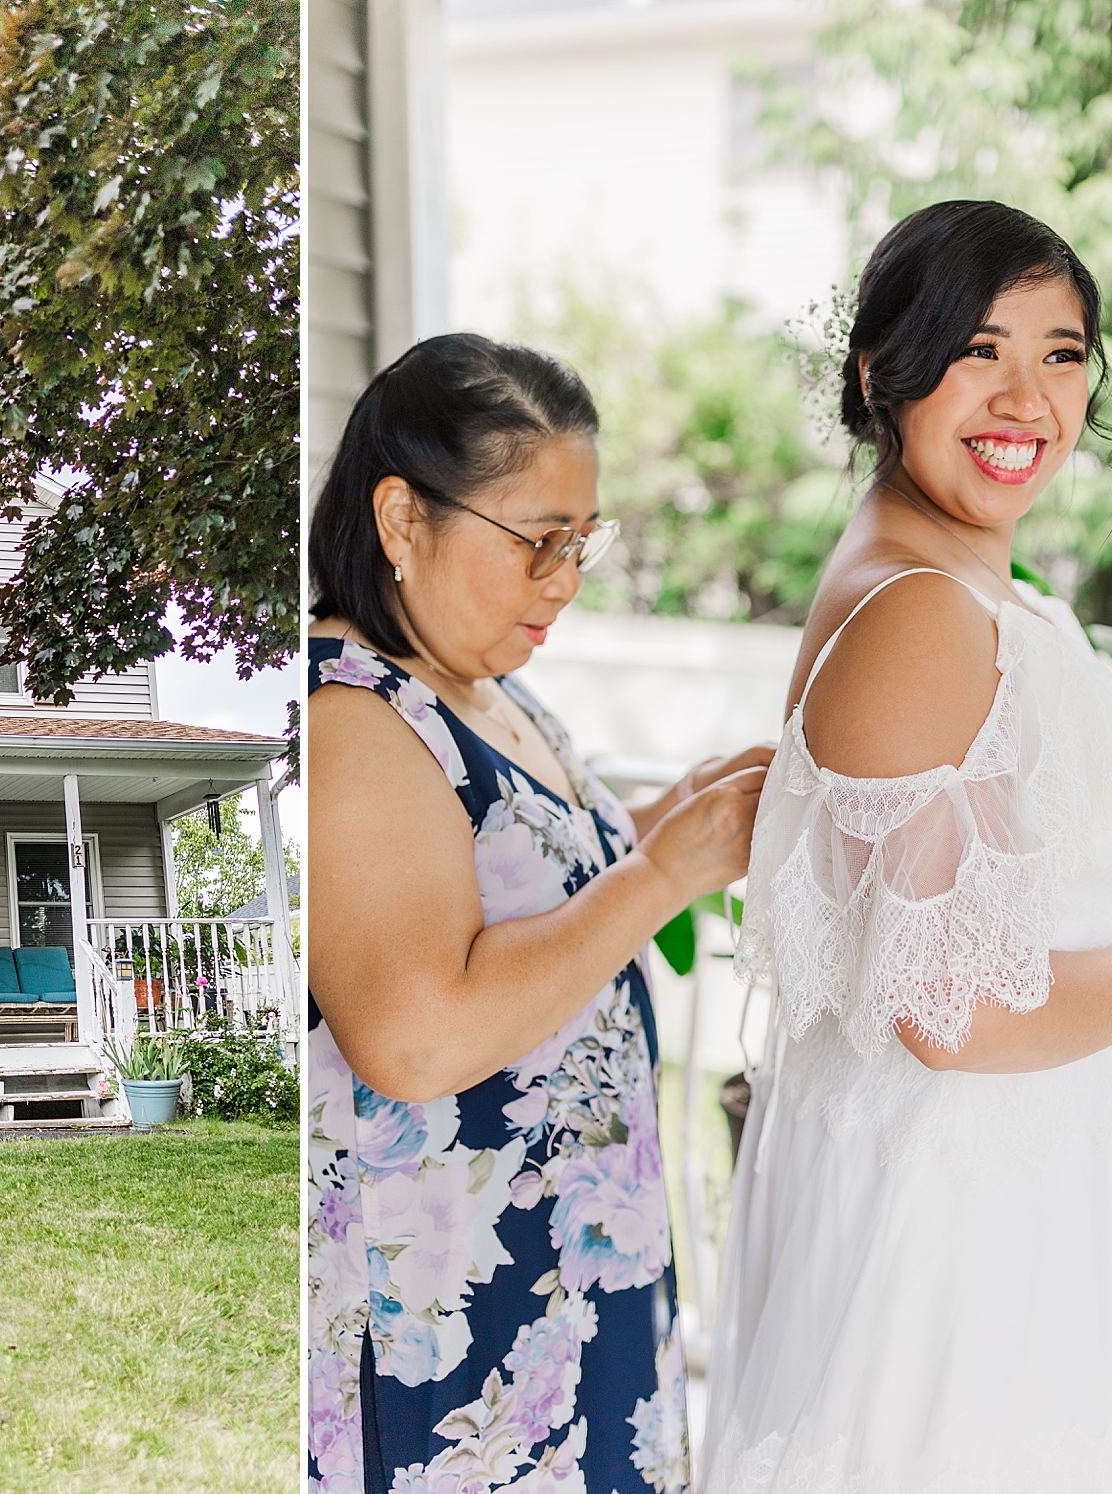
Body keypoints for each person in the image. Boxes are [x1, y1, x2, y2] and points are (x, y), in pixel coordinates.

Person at [703, 200, 1112, 1491]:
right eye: (979, 350)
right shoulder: (920, 613)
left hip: (1038, 1198)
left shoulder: (959, 585)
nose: (1026, 399)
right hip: (974, 1248)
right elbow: (956, 1013)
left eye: (1062, 354)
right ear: (880, 371)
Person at [306, 332, 771, 1494]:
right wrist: (661, 874)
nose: (564, 580)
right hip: (452, 1332)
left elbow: (544, 882)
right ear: (402, 520)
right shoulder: (356, 719)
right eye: (536, 541)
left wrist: (686, 814)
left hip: (558, 1291)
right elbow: (415, 1036)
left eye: (581, 541)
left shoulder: (483, 686)